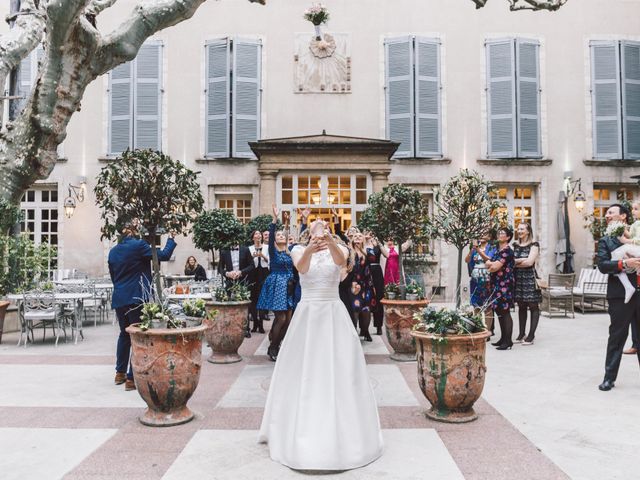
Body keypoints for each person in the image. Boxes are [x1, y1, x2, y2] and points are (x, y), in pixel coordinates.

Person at [258, 219, 383, 470]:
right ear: (308, 233)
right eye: (317, 224)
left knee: (339, 366)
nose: (322, 226)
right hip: (308, 311)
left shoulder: (341, 249)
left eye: (326, 225)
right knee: (304, 367)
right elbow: (302, 269)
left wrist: (331, 243)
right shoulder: (297, 250)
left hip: (333, 311)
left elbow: (340, 263)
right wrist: (310, 250)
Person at [108, 220, 176, 391]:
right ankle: (131, 378)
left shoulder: (113, 251)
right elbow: (163, 256)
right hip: (136, 297)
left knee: (124, 335)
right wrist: (171, 238)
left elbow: (113, 277)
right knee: (138, 336)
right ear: (132, 231)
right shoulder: (139, 245)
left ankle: (120, 373)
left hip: (119, 298)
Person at [596, 203, 640, 391]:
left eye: (611, 212)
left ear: (623, 217)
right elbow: (603, 265)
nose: (607, 215)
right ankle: (609, 378)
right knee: (617, 337)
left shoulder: (636, 237)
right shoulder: (606, 240)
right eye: (606, 213)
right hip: (620, 296)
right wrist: (624, 263)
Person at [258, 205, 295, 361]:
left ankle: (277, 342)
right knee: (281, 318)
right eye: (278, 235)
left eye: (282, 235)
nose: (280, 236)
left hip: (290, 285)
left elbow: (303, 241)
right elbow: (272, 234)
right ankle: (272, 347)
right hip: (277, 285)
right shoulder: (273, 252)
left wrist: (303, 221)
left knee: (288, 319)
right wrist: (275, 218)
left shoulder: (291, 251)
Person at [485, 227, 515, 351]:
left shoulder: (507, 251)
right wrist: (491, 265)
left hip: (505, 285)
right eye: (498, 232)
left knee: (505, 312)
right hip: (497, 284)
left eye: (502, 233)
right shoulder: (498, 250)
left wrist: (491, 265)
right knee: (499, 312)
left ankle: (508, 341)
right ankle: (503, 339)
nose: (499, 234)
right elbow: (489, 264)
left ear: (508, 237)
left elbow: (494, 266)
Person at [218, 240, 255, 338]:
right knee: (228, 304)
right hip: (229, 281)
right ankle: (229, 327)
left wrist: (241, 272)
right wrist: (227, 273)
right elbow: (220, 268)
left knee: (244, 304)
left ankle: (246, 328)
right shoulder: (224, 251)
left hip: (243, 280)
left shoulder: (245, 250)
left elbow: (252, 265)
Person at [513, 223, 542, 345]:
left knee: (533, 306)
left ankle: (531, 335)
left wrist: (516, 262)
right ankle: (521, 334)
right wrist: (519, 261)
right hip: (518, 279)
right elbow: (510, 261)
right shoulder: (514, 245)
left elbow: (530, 262)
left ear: (528, 231)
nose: (519, 231)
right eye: (518, 229)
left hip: (529, 278)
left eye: (522, 229)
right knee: (521, 306)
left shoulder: (534, 245)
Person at [465, 232, 497, 335]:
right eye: (480, 234)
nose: (482, 236)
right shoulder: (475, 248)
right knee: (476, 305)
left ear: (489, 236)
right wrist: (472, 251)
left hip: (486, 278)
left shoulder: (491, 248)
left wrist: (478, 250)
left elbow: (489, 259)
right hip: (475, 278)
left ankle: (488, 331)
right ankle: (478, 329)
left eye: (485, 234)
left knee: (487, 305)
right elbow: (467, 260)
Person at [612, 200, 640, 304]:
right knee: (619, 262)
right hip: (634, 248)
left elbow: (638, 240)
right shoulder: (636, 223)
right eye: (632, 209)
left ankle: (628, 287)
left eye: (636, 209)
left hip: (638, 248)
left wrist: (625, 241)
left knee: (615, 257)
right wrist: (623, 229)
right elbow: (632, 236)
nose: (633, 211)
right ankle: (628, 286)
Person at [350, 232, 375, 341]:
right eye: (355, 236)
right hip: (353, 285)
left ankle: (366, 331)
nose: (357, 237)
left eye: (360, 236)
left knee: (366, 310)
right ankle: (353, 332)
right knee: (355, 309)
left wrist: (368, 242)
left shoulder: (367, 252)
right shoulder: (349, 252)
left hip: (366, 286)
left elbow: (373, 259)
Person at [364, 231, 385, 336]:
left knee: (379, 299)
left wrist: (378, 243)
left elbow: (387, 255)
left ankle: (379, 326)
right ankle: (364, 328)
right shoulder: (362, 244)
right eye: (367, 233)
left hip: (377, 271)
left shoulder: (377, 244)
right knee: (366, 299)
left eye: (371, 233)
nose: (369, 235)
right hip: (366, 272)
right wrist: (365, 240)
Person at [249, 230, 269, 334]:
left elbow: (270, 261)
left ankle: (261, 324)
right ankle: (255, 322)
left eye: (259, 234)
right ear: (253, 238)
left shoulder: (266, 248)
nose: (258, 235)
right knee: (253, 300)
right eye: (256, 234)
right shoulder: (250, 248)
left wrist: (262, 256)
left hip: (264, 274)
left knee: (262, 299)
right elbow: (247, 263)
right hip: (253, 274)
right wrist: (252, 257)